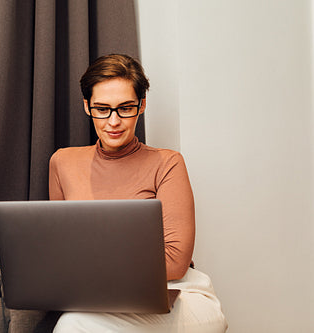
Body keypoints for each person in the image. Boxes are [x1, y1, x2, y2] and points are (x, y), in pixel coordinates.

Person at [48, 54, 228, 332]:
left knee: (73, 325)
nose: (114, 121)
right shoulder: (62, 162)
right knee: (73, 322)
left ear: (141, 105)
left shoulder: (167, 162)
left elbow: (177, 261)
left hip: (179, 294)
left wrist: (92, 274)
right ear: (87, 107)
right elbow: (61, 249)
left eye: (125, 108)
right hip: (101, 299)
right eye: (102, 109)